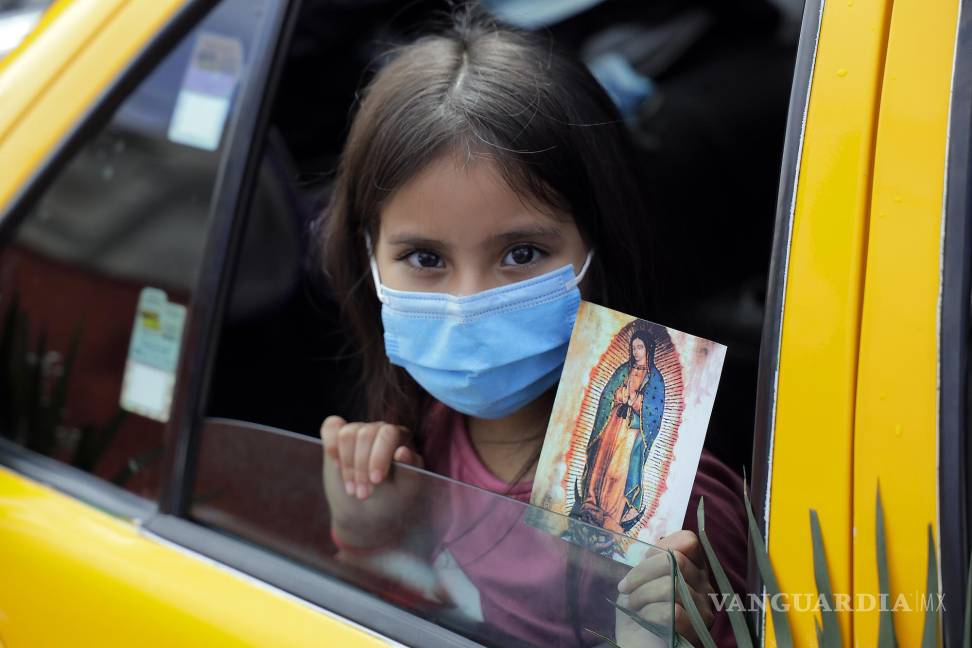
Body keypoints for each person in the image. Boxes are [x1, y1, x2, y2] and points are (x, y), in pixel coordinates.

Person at [317, 9, 748, 647]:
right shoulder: (417, 437)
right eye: (426, 259)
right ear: (369, 262)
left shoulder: (650, 493)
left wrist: (681, 631)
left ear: (600, 247)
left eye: (521, 253)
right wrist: (367, 532)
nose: (469, 303)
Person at [572, 329, 665, 537]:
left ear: (649, 349)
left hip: (631, 431)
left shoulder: (655, 379)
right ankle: (590, 505)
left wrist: (637, 403)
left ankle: (610, 515)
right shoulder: (624, 369)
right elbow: (607, 394)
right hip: (613, 424)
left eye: (640, 347)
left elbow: (654, 413)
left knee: (617, 471)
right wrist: (617, 396)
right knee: (600, 465)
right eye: (633, 347)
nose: (636, 351)